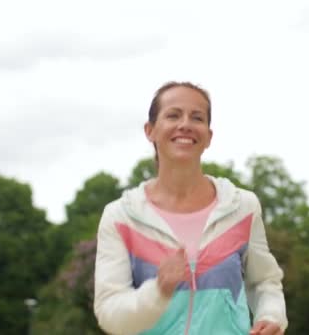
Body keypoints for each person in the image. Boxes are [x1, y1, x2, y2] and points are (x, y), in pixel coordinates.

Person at [93, 81, 287, 335]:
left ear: (208, 136)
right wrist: (158, 291)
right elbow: (111, 316)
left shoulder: (242, 208)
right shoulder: (120, 218)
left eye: (197, 118)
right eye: (173, 115)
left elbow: (265, 282)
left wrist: (271, 316)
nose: (185, 124)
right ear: (150, 130)